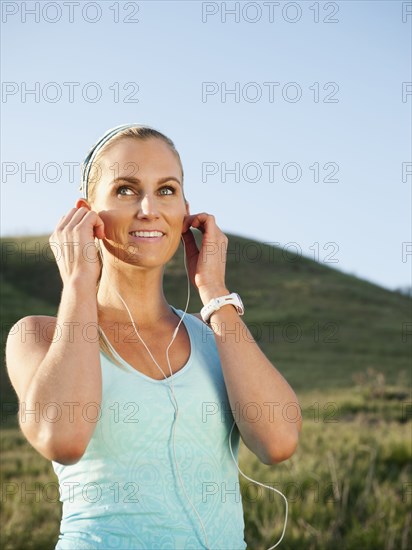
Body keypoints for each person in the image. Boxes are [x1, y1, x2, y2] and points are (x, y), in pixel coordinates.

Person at [6, 123, 302, 549]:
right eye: (125, 189)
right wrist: (77, 283)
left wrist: (216, 293)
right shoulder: (40, 334)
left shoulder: (214, 334)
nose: (149, 208)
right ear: (85, 213)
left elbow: (279, 442)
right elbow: (63, 437)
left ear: (185, 211)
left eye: (166, 190)